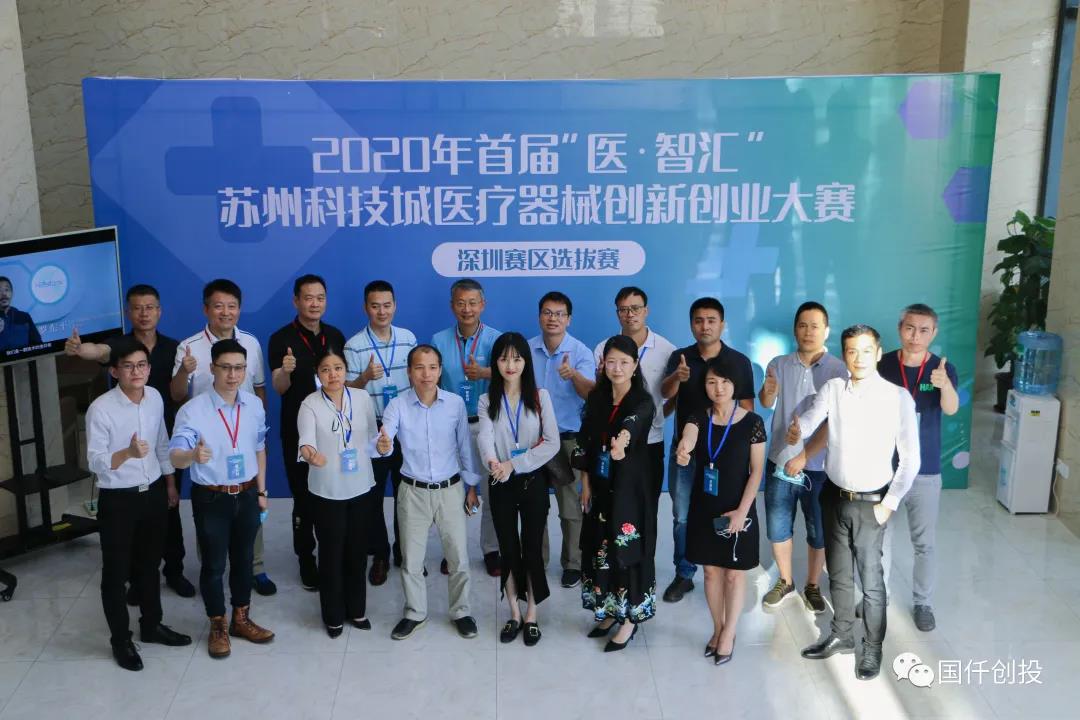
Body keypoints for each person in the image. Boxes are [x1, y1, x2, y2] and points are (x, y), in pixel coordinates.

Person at [789, 325, 919, 680]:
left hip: (871, 503)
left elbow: (911, 459)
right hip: (834, 495)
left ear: (878, 353)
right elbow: (811, 420)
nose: (858, 358)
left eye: (865, 350)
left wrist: (889, 503)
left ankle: (872, 648)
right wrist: (798, 429)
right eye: (851, 351)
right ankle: (842, 634)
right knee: (839, 574)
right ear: (844, 354)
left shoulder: (897, 398)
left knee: (871, 582)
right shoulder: (834, 389)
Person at [66, 284, 196, 599]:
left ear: (159, 311)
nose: (144, 313)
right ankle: (139, 579)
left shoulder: (174, 347)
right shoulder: (120, 345)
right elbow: (99, 351)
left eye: (150, 307)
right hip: (124, 445)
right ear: (128, 312)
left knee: (169, 510)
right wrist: (80, 350)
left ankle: (174, 571)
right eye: (137, 308)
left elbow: (179, 392)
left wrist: (186, 371)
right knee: (133, 520)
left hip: (162, 440)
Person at [86, 337, 192, 671]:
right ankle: (121, 640)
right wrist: (128, 453)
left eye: (142, 365)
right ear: (114, 371)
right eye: (128, 366)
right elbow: (96, 462)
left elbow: (161, 443)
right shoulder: (101, 408)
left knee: (150, 565)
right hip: (119, 498)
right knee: (116, 573)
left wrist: (170, 483)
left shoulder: (155, 397)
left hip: (154, 493)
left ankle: (151, 625)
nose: (136, 372)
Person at [169, 338, 275, 659]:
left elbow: (259, 449)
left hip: (247, 493)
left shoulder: (254, 405)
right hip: (211, 498)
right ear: (212, 368)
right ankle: (218, 623)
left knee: (244, 560)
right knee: (214, 564)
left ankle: (241, 618)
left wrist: (262, 491)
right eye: (226, 368)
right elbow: (175, 457)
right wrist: (192, 455)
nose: (233, 375)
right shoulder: (193, 410)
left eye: (239, 368)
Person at [170, 278, 275, 596]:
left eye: (232, 306)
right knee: (211, 510)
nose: (225, 312)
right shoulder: (189, 347)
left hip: (244, 436)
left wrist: (259, 429)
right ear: (206, 309)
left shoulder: (251, 343)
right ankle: (211, 569)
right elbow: (177, 395)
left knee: (250, 502)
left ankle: (256, 567)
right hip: (210, 443)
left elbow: (259, 388)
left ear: (239, 309)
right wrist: (184, 371)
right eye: (218, 306)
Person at [373, 344, 482, 641]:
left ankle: (461, 611)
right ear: (409, 372)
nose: (426, 374)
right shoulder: (397, 405)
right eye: (419, 368)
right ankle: (415, 613)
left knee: (458, 557)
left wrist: (472, 486)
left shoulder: (455, 404)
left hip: (450, 489)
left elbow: (465, 448)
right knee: (411, 560)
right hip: (413, 491)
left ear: (440, 370)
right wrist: (382, 445)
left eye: (432, 367)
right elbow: (385, 438)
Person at [659, 297, 753, 603]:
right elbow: (665, 395)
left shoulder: (738, 362)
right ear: (691, 324)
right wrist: (677, 377)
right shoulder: (681, 358)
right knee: (682, 516)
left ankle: (722, 567)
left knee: (722, 512)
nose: (705, 326)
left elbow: (748, 410)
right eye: (699, 320)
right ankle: (684, 573)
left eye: (711, 320)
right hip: (685, 453)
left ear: (722, 324)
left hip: (724, 456)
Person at [674, 357, 766, 665]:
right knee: (711, 572)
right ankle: (717, 628)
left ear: (735, 385)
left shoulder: (753, 423)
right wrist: (685, 449)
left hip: (739, 507)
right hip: (705, 507)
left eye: (725, 381)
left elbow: (756, 471)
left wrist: (742, 512)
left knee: (734, 575)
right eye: (711, 381)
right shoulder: (698, 417)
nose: (719, 388)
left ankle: (730, 632)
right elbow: (689, 434)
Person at [758, 301, 847, 613]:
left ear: (826, 330)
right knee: (778, 527)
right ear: (795, 329)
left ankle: (812, 584)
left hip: (820, 466)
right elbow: (766, 402)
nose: (808, 332)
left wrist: (807, 453)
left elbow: (834, 421)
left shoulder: (839, 370)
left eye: (815, 326)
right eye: (803, 325)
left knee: (818, 530)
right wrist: (769, 391)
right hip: (781, 460)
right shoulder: (779, 364)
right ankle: (785, 581)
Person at [877, 303, 958, 632]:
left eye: (924, 330)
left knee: (924, 543)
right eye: (910, 328)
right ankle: (877, 596)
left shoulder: (941, 368)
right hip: (884, 469)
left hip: (925, 470)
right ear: (900, 329)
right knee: (879, 537)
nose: (916, 336)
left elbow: (951, 409)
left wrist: (944, 385)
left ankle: (923, 602)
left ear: (933, 333)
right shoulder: (883, 365)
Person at [478, 332, 560, 647]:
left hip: (531, 481)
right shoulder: (488, 400)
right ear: (495, 362)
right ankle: (513, 612)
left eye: (516, 358)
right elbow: (485, 436)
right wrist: (493, 462)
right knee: (508, 549)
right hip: (500, 481)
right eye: (503, 358)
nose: (510, 365)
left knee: (532, 548)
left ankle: (531, 615)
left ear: (526, 361)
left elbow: (551, 442)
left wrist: (514, 464)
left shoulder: (540, 397)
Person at [268, 274, 346, 592]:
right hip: (298, 432)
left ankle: (334, 553)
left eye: (320, 298)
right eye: (308, 298)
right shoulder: (280, 338)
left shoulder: (335, 336)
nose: (315, 304)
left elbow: (342, 383)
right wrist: (285, 371)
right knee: (303, 497)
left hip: (334, 431)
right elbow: (278, 388)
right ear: (296, 301)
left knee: (332, 493)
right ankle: (306, 558)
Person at [579, 335, 657, 651]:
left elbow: (632, 425)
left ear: (635, 365)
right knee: (601, 548)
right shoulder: (596, 399)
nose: (617, 368)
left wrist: (621, 442)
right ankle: (610, 610)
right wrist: (585, 485)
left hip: (630, 491)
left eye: (624, 362)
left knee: (627, 549)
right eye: (611, 362)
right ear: (603, 364)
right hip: (599, 488)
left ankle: (629, 619)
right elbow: (585, 443)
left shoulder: (642, 401)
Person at [298, 347, 379, 637]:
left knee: (357, 550)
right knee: (331, 553)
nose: (333, 375)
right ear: (317, 374)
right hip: (327, 490)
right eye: (325, 369)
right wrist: (310, 453)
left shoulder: (362, 398)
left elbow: (373, 439)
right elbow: (306, 441)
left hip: (360, 486)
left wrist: (382, 445)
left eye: (338, 368)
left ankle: (357, 610)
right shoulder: (309, 404)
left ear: (346, 370)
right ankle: (333, 615)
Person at [592, 287, 675, 560]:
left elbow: (671, 395)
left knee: (647, 507)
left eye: (635, 308)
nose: (630, 314)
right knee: (610, 508)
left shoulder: (666, 350)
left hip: (649, 444)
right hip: (609, 445)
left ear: (646, 311)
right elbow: (599, 396)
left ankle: (644, 568)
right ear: (617, 313)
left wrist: (659, 417)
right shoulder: (603, 348)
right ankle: (614, 566)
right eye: (623, 309)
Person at [344, 279, 417, 585]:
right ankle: (380, 555)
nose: (382, 311)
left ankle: (405, 552)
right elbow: (346, 391)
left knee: (407, 494)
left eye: (387, 305)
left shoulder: (408, 339)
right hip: (372, 429)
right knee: (373, 497)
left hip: (405, 428)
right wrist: (364, 377)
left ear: (395, 306)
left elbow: (418, 380)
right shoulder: (354, 345)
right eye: (375, 306)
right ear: (366, 308)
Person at [431, 278, 501, 576]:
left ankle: (491, 549)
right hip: (451, 426)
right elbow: (431, 381)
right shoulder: (438, 340)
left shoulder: (497, 340)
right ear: (452, 306)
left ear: (482, 305)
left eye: (473, 303)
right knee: (452, 494)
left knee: (492, 491)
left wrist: (484, 372)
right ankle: (453, 550)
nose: (467, 309)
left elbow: (512, 375)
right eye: (461, 303)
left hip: (488, 424)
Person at [528, 291, 594, 589]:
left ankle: (573, 563)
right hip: (533, 440)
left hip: (568, 440)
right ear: (539, 316)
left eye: (559, 314)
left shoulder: (580, 352)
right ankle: (536, 560)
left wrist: (573, 376)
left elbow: (590, 394)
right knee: (535, 505)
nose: (553, 318)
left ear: (569, 319)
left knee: (570, 507)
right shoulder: (527, 349)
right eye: (547, 312)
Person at [0, 276, 41, 350]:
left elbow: (38, 345)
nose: (4, 294)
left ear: (12, 293)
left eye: (7, 290)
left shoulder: (24, 317)